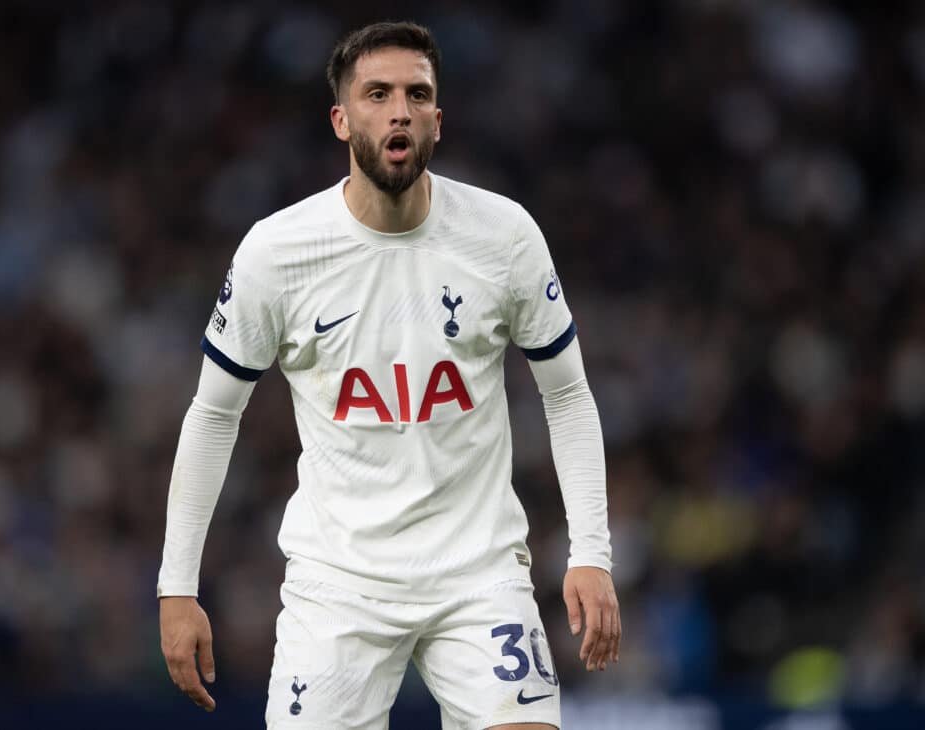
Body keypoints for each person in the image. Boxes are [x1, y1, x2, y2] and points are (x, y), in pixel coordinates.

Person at [157, 20, 620, 730]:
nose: (399, 109)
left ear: (439, 116)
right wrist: (176, 587)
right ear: (342, 120)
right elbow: (215, 414)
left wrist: (591, 552)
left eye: (416, 93)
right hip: (339, 586)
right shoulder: (278, 254)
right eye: (377, 94)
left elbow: (567, 393)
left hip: (479, 574)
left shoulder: (504, 236)